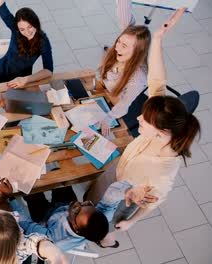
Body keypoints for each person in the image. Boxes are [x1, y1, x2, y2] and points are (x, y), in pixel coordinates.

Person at [86, 7, 201, 246]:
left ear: (161, 132)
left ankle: (104, 237)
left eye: (144, 121)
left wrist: (132, 221)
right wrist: (158, 39)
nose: (138, 119)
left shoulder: (164, 170)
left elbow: (154, 201)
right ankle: (90, 199)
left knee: (106, 218)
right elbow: (157, 80)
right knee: (96, 191)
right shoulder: (160, 114)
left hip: (126, 194)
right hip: (119, 168)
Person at [0, 179, 157, 251]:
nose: (78, 204)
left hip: (46, 218)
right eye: (87, 205)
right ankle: (104, 241)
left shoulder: (55, 239)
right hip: (61, 209)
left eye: (77, 210)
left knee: (31, 193)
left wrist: (10, 197)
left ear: (75, 226)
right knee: (57, 176)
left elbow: (25, 223)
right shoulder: (99, 215)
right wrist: (127, 191)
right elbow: (110, 197)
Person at [96, 0, 151, 136]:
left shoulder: (138, 78)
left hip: (119, 103)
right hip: (105, 89)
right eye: (119, 41)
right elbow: (123, 11)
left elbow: (124, 104)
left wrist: (108, 118)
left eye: (124, 46)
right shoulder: (128, 39)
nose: (117, 48)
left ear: (138, 52)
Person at [0, 0, 53, 88]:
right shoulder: (15, 29)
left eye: (29, 27)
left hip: (23, 78)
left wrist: (26, 79)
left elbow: (48, 70)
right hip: (1, 72)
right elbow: (0, 5)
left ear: (35, 23)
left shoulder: (43, 41)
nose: (27, 32)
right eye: (22, 29)